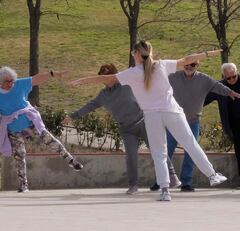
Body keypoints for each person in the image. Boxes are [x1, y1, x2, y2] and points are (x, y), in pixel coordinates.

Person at [69, 40, 230, 201]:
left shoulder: (132, 73)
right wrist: (209, 53)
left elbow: (108, 79)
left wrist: (82, 80)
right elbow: (187, 59)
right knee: (190, 144)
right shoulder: (161, 65)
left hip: (152, 116)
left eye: (133, 53)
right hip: (172, 112)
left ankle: (165, 191)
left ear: (137, 54)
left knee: (159, 153)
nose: (133, 56)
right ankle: (212, 175)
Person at [63, 63, 181, 195]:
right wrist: (73, 116)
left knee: (157, 150)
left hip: (143, 122)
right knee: (130, 155)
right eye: (102, 76)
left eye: (108, 75)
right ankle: (133, 185)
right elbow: (90, 106)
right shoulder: (103, 95)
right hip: (127, 129)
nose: (105, 79)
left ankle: (172, 176)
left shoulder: (128, 85)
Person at [0, 66, 83, 193]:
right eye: (7, 81)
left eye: (12, 80)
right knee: (19, 155)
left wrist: (52, 74)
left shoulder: (19, 84)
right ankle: (23, 184)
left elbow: (35, 79)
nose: (10, 83)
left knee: (49, 139)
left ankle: (71, 160)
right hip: (14, 130)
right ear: (0, 81)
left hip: (31, 123)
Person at [151, 60, 240, 192]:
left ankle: (186, 182)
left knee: (192, 152)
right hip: (173, 121)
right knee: (166, 152)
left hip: (193, 122)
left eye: (192, 65)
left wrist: (230, 92)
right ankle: (160, 181)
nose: (189, 67)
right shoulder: (173, 76)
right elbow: (158, 83)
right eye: (186, 64)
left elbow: (217, 86)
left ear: (197, 66)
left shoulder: (204, 79)